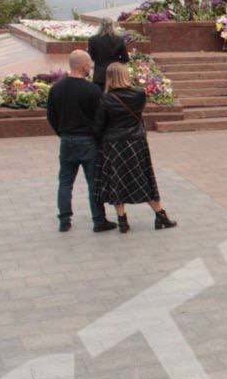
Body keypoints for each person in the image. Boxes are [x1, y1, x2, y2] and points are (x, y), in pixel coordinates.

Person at [94, 62, 177, 233]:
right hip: (136, 142)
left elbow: (99, 125)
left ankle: (122, 221)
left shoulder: (106, 98)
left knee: (117, 180)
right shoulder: (139, 94)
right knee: (144, 179)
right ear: (125, 75)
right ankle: (160, 215)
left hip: (114, 144)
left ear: (109, 78)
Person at [47, 50, 116, 233]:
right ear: (84, 66)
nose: (90, 68)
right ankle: (99, 220)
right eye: (89, 65)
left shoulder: (57, 88)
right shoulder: (92, 90)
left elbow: (51, 115)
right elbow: (100, 118)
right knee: (93, 182)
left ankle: (64, 220)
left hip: (66, 140)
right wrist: (97, 136)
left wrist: (61, 132)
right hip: (88, 141)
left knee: (65, 182)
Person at [86, 17, 130, 90]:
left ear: (100, 26)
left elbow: (91, 57)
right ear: (113, 26)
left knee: (100, 95)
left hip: (99, 75)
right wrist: (116, 61)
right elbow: (125, 59)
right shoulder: (119, 39)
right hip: (115, 76)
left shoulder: (93, 40)